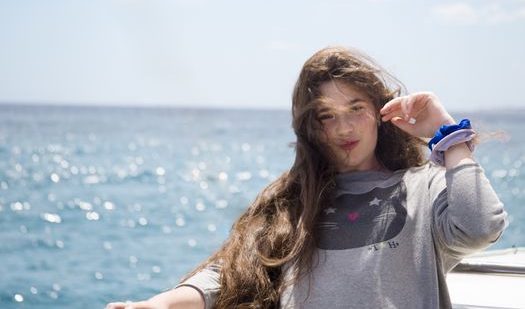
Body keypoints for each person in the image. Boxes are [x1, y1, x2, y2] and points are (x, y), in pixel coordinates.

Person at [106, 46, 508, 309]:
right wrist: (159, 304)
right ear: (310, 127)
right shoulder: (295, 198)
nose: (344, 128)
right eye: (326, 116)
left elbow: (480, 226)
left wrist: (448, 134)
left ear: (382, 112)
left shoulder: (424, 185)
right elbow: (231, 272)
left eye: (355, 109)